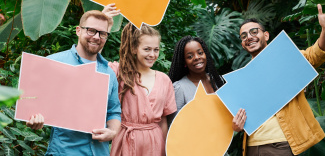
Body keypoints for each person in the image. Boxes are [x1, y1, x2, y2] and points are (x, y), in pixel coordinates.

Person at [232, 0, 325, 156]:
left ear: (266, 35)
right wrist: (236, 126)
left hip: (282, 144)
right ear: (243, 44)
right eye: (243, 36)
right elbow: (237, 114)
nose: (248, 37)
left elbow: (315, 55)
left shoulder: (286, 58)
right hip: (251, 146)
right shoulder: (242, 77)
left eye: (253, 32)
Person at [25, 10, 122, 155]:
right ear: (78, 30)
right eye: (91, 31)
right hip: (64, 151)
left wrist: (113, 132)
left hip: (99, 151)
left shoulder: (109, 73)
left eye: (102, 33)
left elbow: (114, 111)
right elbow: (31, 103)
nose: (96, 37)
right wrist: (33, 119)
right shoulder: (53, 63)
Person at [107, 22, 177, 156]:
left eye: (156, 50)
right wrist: (106, 24)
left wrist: (165, 150)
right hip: (126, 140)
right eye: (147, 49)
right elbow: (95, 66)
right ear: (134, 48)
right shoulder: (120, 73)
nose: (152, 54)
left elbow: (163, 121)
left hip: (154, 143)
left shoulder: (164, 79)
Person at [167, 36, 225, 123]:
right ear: (184, 62)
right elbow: (174, 125)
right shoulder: (180, 88)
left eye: (200, 53)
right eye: (190, 56)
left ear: (206, 55)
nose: (197, 57)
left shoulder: (218, 80)